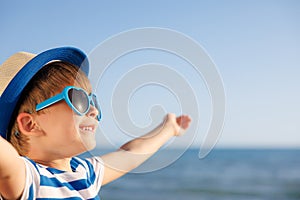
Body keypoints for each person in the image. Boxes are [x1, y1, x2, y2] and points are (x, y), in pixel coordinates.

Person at [0, 47, 191, 200]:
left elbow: (130, 154)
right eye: (79, 100)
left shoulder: (86, 173)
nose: (94, 110)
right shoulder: (28, 178)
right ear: (30, 124)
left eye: (93, 100)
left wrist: (168, 129)